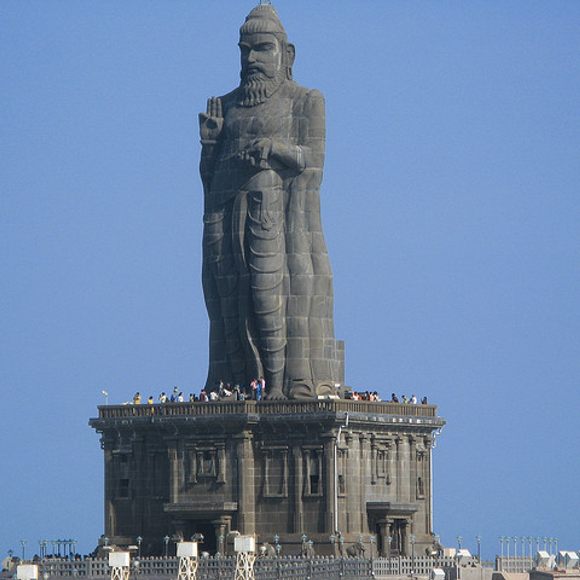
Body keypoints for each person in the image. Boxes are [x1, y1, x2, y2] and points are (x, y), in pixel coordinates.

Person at [199, 5, 342, 400]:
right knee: (228, 305)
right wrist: (210, 145)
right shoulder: (225, 106)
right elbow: (208, 179)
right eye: (245, 50)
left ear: (287, 54)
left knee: (270, 299)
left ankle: (281, 386)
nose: (251, 59)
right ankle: (232, 384)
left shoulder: (305, 101)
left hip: (277, 222)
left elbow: (311, 163)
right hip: (225, 222)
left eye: (262, 49)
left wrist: (273, 148)